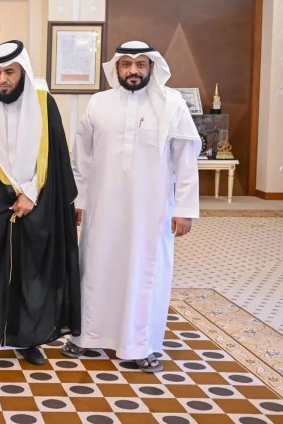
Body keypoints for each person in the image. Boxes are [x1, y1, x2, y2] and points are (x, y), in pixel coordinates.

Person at [61, 40, 202, 373]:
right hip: (102, 208)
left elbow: (185, 160)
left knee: (144, 272)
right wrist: (79, 200)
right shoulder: (98, 103)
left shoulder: (172, 104)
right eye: (126, 64)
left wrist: (184, 207)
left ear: (152, 67)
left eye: (140, 64)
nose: (133, 70)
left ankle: (141, 345)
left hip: (151, 212)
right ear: (117, 68)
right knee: (96, 266)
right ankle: (87, 336)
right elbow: (82, 157)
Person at [0, 40, 80, 370]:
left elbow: (53, 156)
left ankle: (28, 340)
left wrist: (31, 193)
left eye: (9, 72)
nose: (2, 80)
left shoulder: (44, 102)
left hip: (35, 204)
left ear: (23, 71)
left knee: (32, 276)